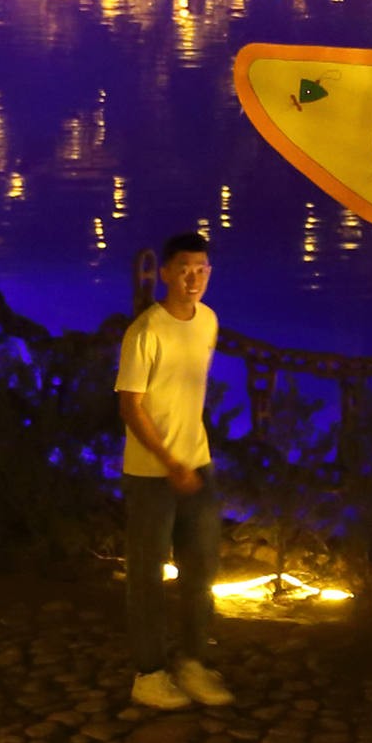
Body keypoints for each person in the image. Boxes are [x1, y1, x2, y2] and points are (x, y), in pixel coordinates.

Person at [118, 229, 235, 712]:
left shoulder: (208, 321)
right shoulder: (146, 331)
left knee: (201, 567)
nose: (193, 278)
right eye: (184, 269)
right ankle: (148, 673)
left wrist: (189, 460)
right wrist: (169, 462)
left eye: (201, 269)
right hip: (151, 472)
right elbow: (131, 405)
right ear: (165, 273)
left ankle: (192, 660)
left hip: (198, 464)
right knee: (147, 575)